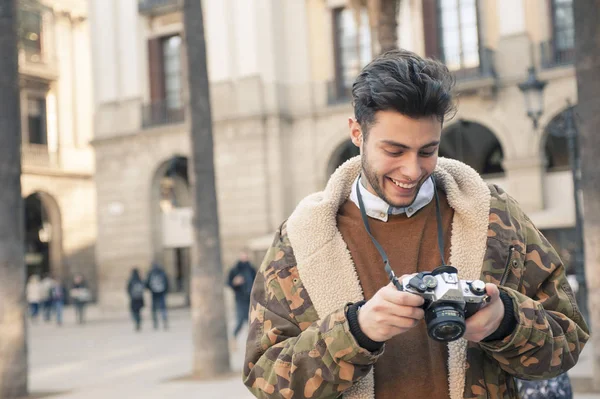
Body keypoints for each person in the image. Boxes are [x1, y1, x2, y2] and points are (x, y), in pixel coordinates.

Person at [242, 50, 589, 399]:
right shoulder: (301, 237)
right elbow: (264, 379)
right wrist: (356, 332)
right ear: (356, 132)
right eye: (394, 151)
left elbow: (569, 339)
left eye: (427, 151)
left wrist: (507, 322)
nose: (412, 170)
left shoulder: (496, 217)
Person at [227, 251, 257, 339]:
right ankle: (234, 337)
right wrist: (235, 282)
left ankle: (252, 340)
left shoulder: (252, 269)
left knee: (251, 320)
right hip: (240, 298)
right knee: (240, 320)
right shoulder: (235, 269)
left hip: (250, 298)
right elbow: (229, 283)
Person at [146, 261, 169, 330]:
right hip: (161, 292)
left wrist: (150, 289)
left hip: (154, 293)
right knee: (163, 308)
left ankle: (155, 323)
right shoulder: (162, 273)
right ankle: (164, 321)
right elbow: (167, 282)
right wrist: (165, 290)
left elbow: (147, 283)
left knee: (154, 309)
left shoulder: (150, 273)